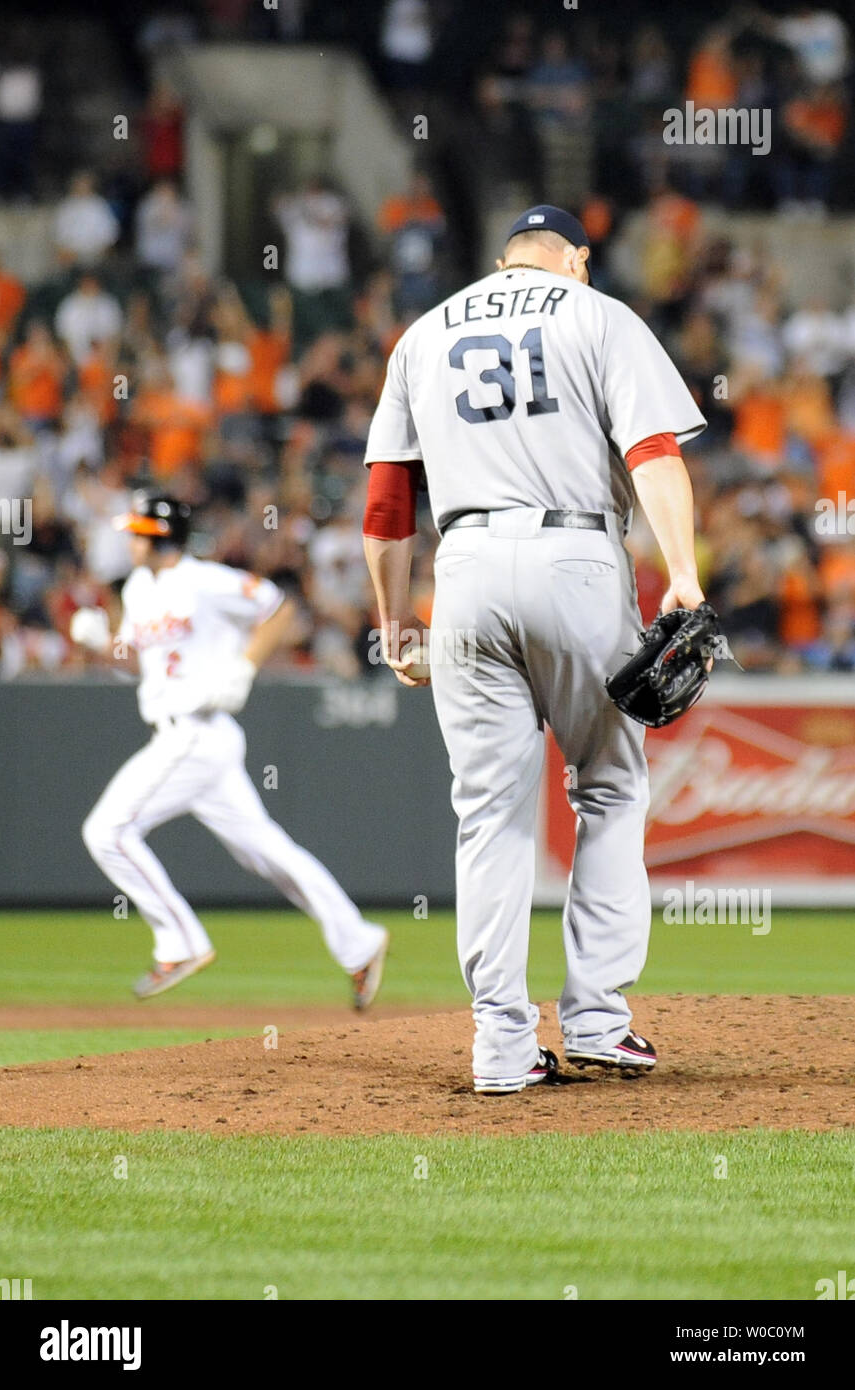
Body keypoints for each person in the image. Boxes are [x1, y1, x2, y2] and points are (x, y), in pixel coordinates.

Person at [362, 205, 706, 1093]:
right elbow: (654, 451)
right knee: (609, 787)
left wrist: (395, 621)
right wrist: (682, 575)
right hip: (576, 559)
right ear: (576, 261)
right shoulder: (596, 314)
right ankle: (596, 1018)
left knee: (487, 815)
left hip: (465, 568)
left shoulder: (424, 332)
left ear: (502, 259)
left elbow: (387, 500)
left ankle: (500, 1047)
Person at [71, 488, 388, 1006]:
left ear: (158, 534)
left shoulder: (203, 580)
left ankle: (180, 943)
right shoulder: (138, 590)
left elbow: (278, 608)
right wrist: (99, 645)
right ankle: (358, 942)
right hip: (186, 735)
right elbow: (138, 658)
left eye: (137, 531)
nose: (129, 539)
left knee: (107, 831)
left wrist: (244, 666)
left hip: (195, 733)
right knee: (268, 851)